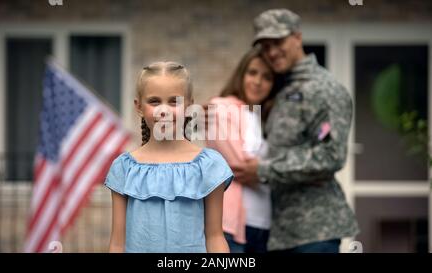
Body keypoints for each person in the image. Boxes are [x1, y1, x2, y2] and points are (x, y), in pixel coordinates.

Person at [231, 9, 359, 253]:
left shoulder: (325, 89)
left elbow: (331, 155)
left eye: (277, 42)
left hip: (314, 231)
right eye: (265, 46)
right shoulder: (278, 89)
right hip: (277, 233)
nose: (271, 52)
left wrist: (264, 170)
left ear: (297, 37)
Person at [105, 61, 233, 253]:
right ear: (138, 106)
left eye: (174, 101)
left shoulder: (209, 166)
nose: (163, 110)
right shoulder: (124, 168)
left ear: (189, 105)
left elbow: (214, 238)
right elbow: (117, 243)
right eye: (154, 101)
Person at [206, 46, 279, 253]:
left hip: (264, 225)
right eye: (252, 72)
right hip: (230, 226)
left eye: (267, 77)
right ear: (241, 74)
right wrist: (278, 170)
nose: (258, 82)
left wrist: (265, 170)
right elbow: (238, 164)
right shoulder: (220, 108)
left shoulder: (265, 119)